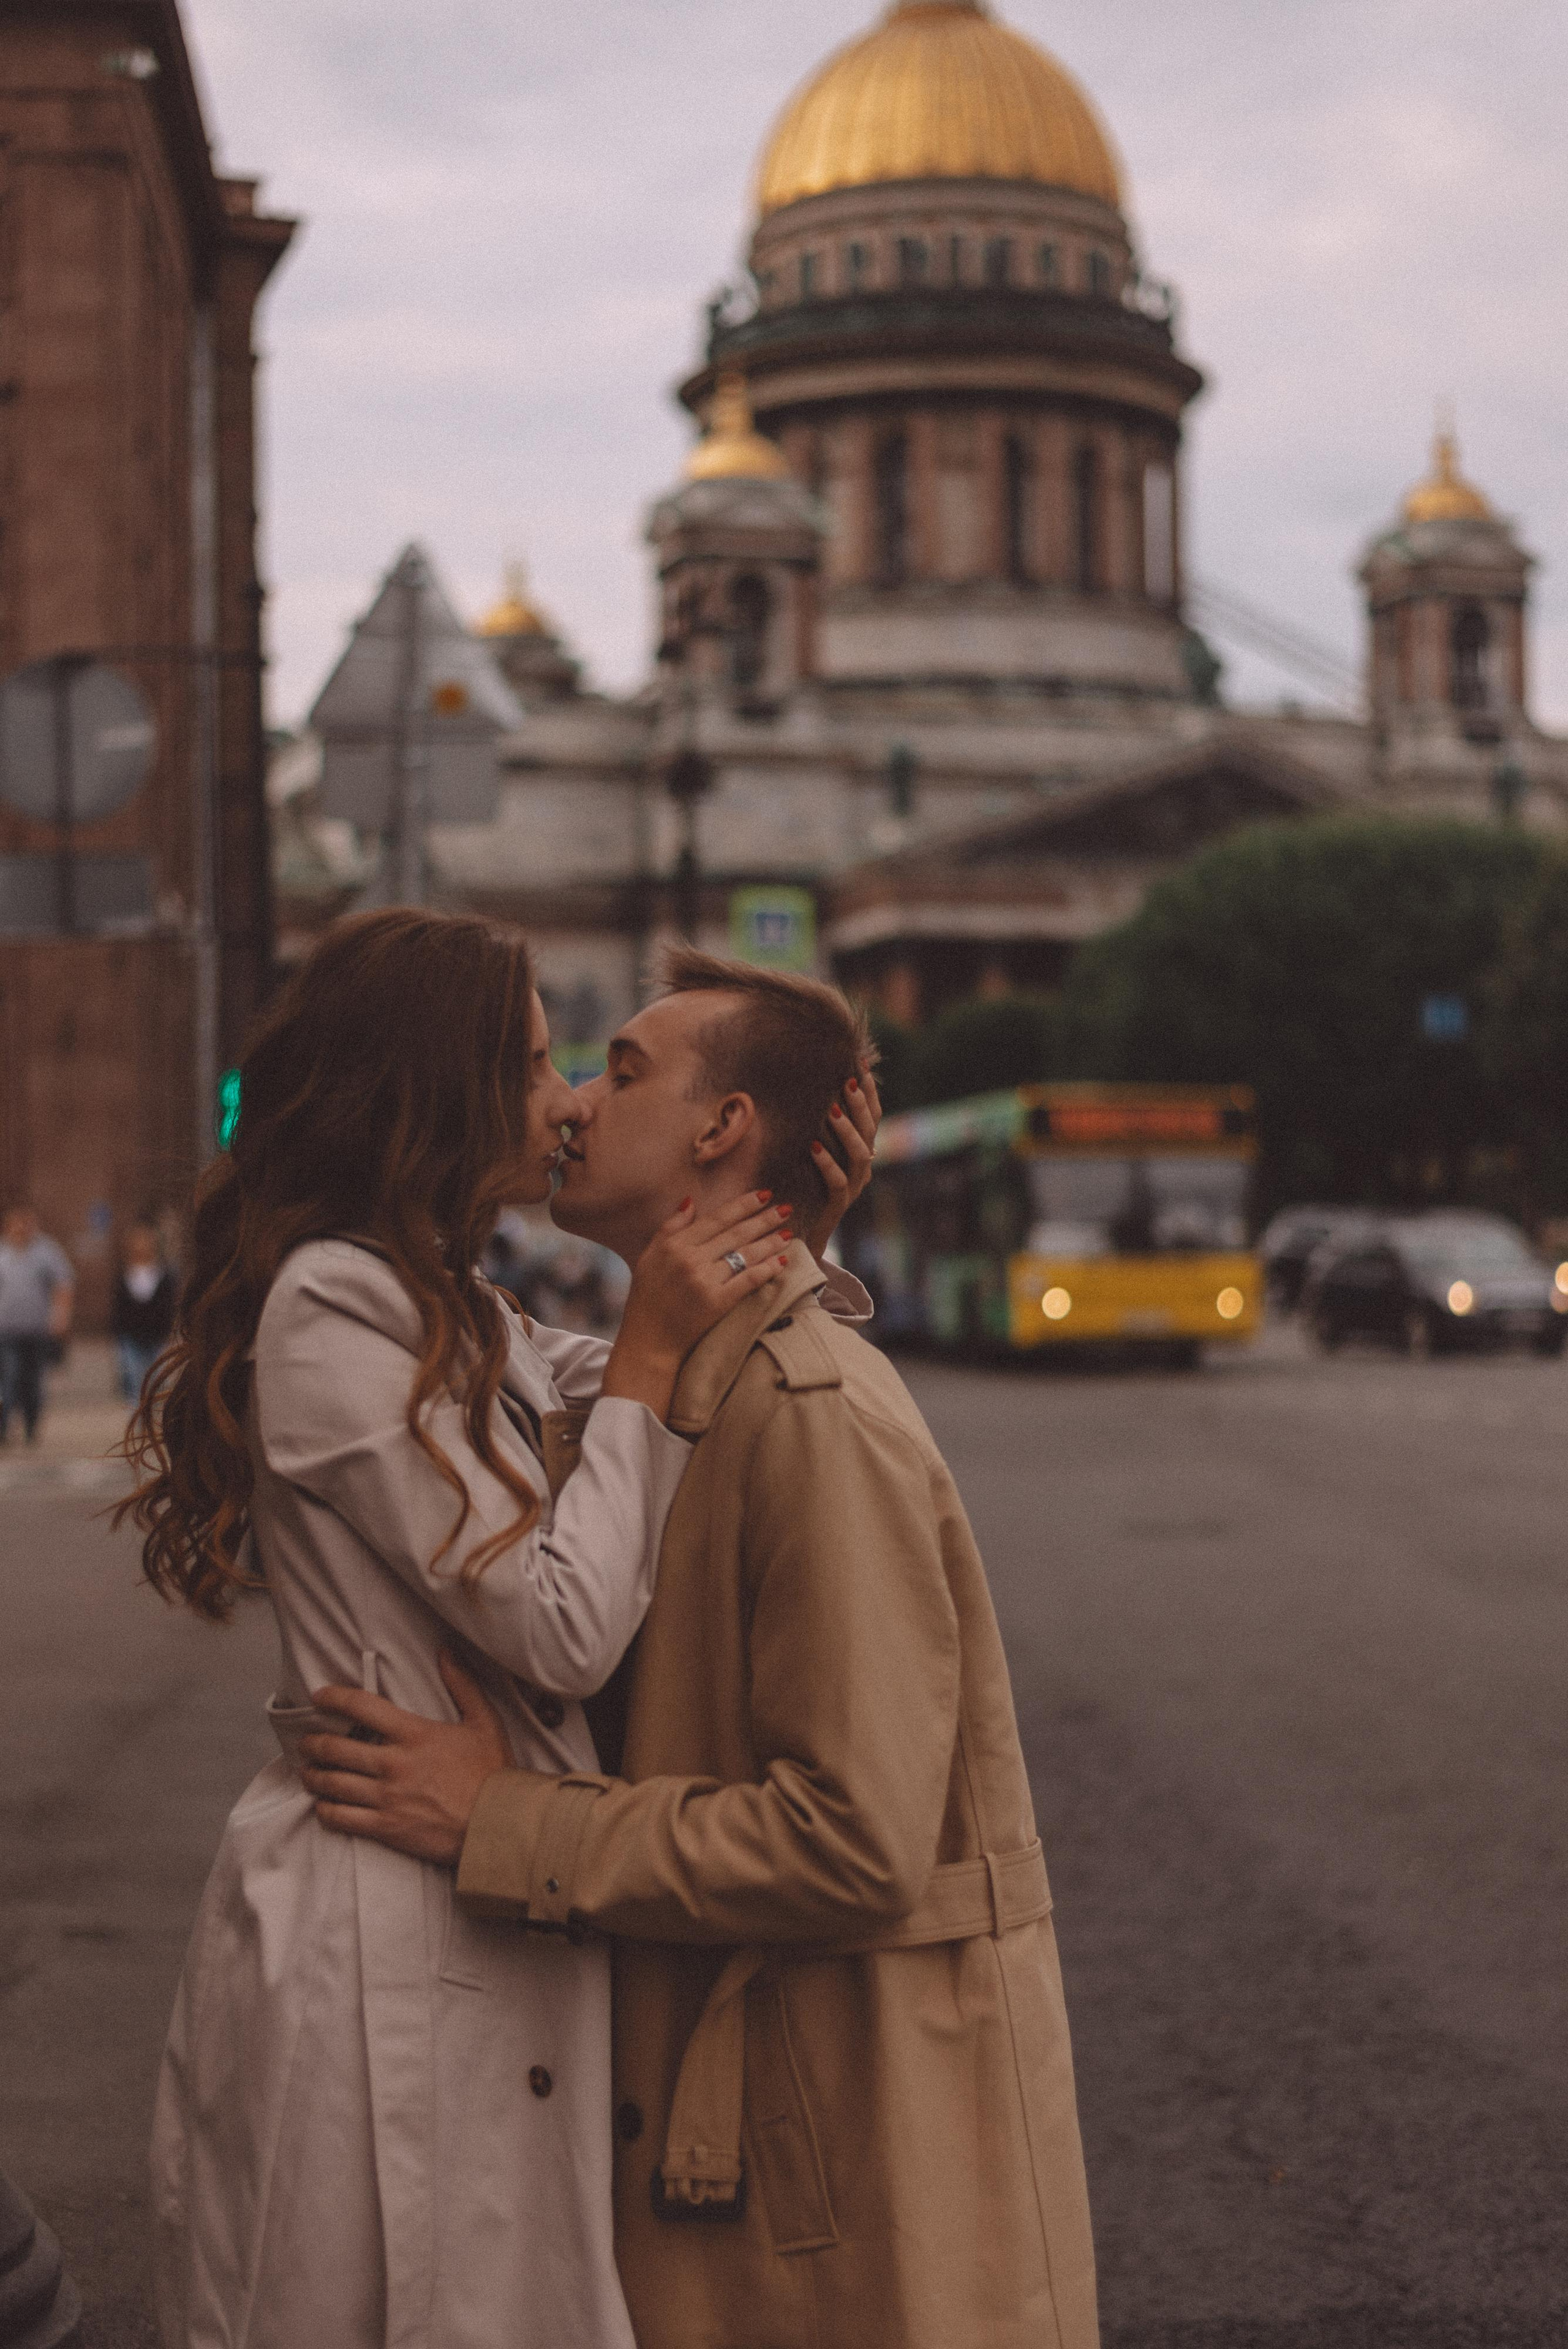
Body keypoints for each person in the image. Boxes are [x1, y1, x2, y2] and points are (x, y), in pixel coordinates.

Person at [301, 949, 1100, 2349]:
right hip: (762, 2124)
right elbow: (576, 1419)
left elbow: (854, 1835)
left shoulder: (803, 1411)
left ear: (722, 1129)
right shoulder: (703, 1369)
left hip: (830, 2172)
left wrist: (499, 1817)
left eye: (615, 1070)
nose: (570, 1107)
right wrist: (777, 1244)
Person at [121, 907, 876, 2349]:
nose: (563, 1099)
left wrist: (784, 1229)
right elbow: (565, 1619)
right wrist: (651, 1344)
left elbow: (683, 1374)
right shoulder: (332, 1305)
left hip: (465, 1882)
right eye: (534, 1061)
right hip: (372, 1924)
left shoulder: (456, 1307)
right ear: (438, 1082)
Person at [0, 1204, 75, 1446]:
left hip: (37, 1330)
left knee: (33, 1382)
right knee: (8, 1378)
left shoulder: (47, 1252)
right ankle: (3, 1427)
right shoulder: (2, 1252)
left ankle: (31, 1425)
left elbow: (64, 1284)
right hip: (6, 1330)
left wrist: (60, 1316)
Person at [110, 1222, 178, 1403]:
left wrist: (169, 1332)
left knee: (156, 1382)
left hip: (157, 1337)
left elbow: (169, 1306)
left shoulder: (164, 1275)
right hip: (131, 1338)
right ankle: (138, 1423)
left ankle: (152, 1420)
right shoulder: (124, 1275)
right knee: (134, 1383)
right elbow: (118, 1309)